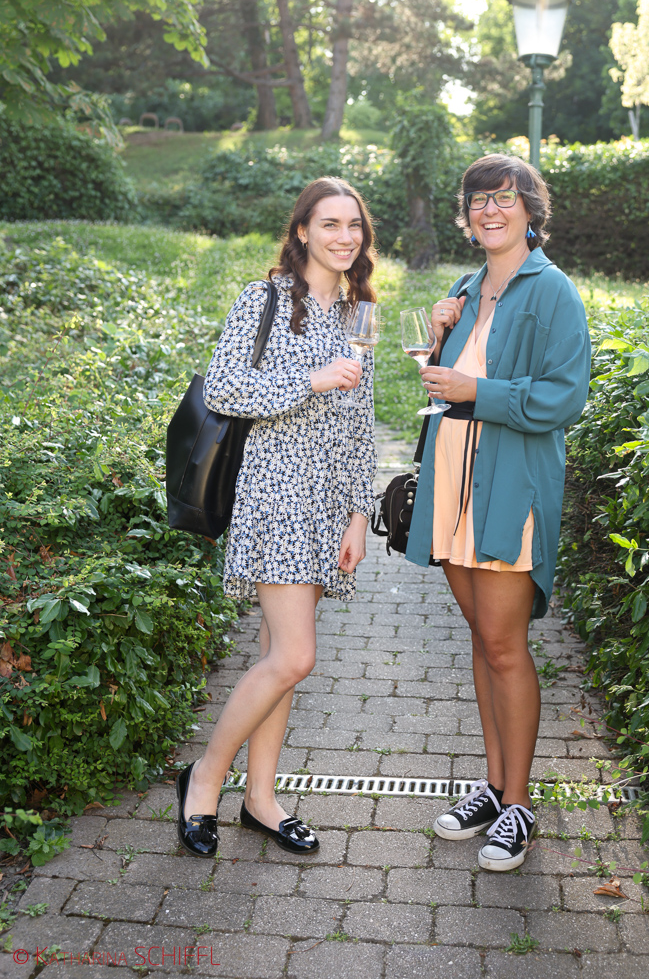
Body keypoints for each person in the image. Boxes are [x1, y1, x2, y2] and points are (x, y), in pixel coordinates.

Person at [175, 177, 378, 859]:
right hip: (276, 493)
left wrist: (359, 513)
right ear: (302, 232)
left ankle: (261, 799)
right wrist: (312, 380)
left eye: (354, 225)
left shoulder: (359, 314)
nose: (344, 237)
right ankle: (205, 778)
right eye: (330, 224)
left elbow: (361, 423)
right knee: (295, 656)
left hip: (327, 504)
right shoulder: (264, 299)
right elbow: (226, 387)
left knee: (278, 658)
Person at [405, 153, 590, 872]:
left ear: (531, 211)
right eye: (479, 200)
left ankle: (519, 805)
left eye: (505, 198)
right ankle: (492, 786)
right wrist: (441, 333)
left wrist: (475, 391)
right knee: (483, 640)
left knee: (507, 646)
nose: (491, 210)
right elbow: (443, 383)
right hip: (453, 479)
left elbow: (564, 398)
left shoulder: (554, 291)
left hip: (511, 484)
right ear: (466, 215)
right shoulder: (466, 286)